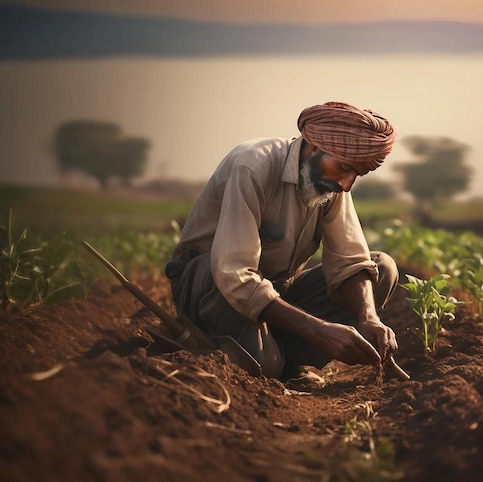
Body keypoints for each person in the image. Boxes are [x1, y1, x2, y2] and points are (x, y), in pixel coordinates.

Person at [165, 101, 400, 385]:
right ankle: (263, 357)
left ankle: (282, 355)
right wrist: (319, 330)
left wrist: (368, 318)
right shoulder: (252, 166)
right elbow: (234, 275)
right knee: (266, 371)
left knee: (380, 268)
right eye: (345, 168)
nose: (347, 184)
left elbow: (351, 259)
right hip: (210, 287)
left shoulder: (330, 182)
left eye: (356, 175)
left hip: (274, 291)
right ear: (313, 147)